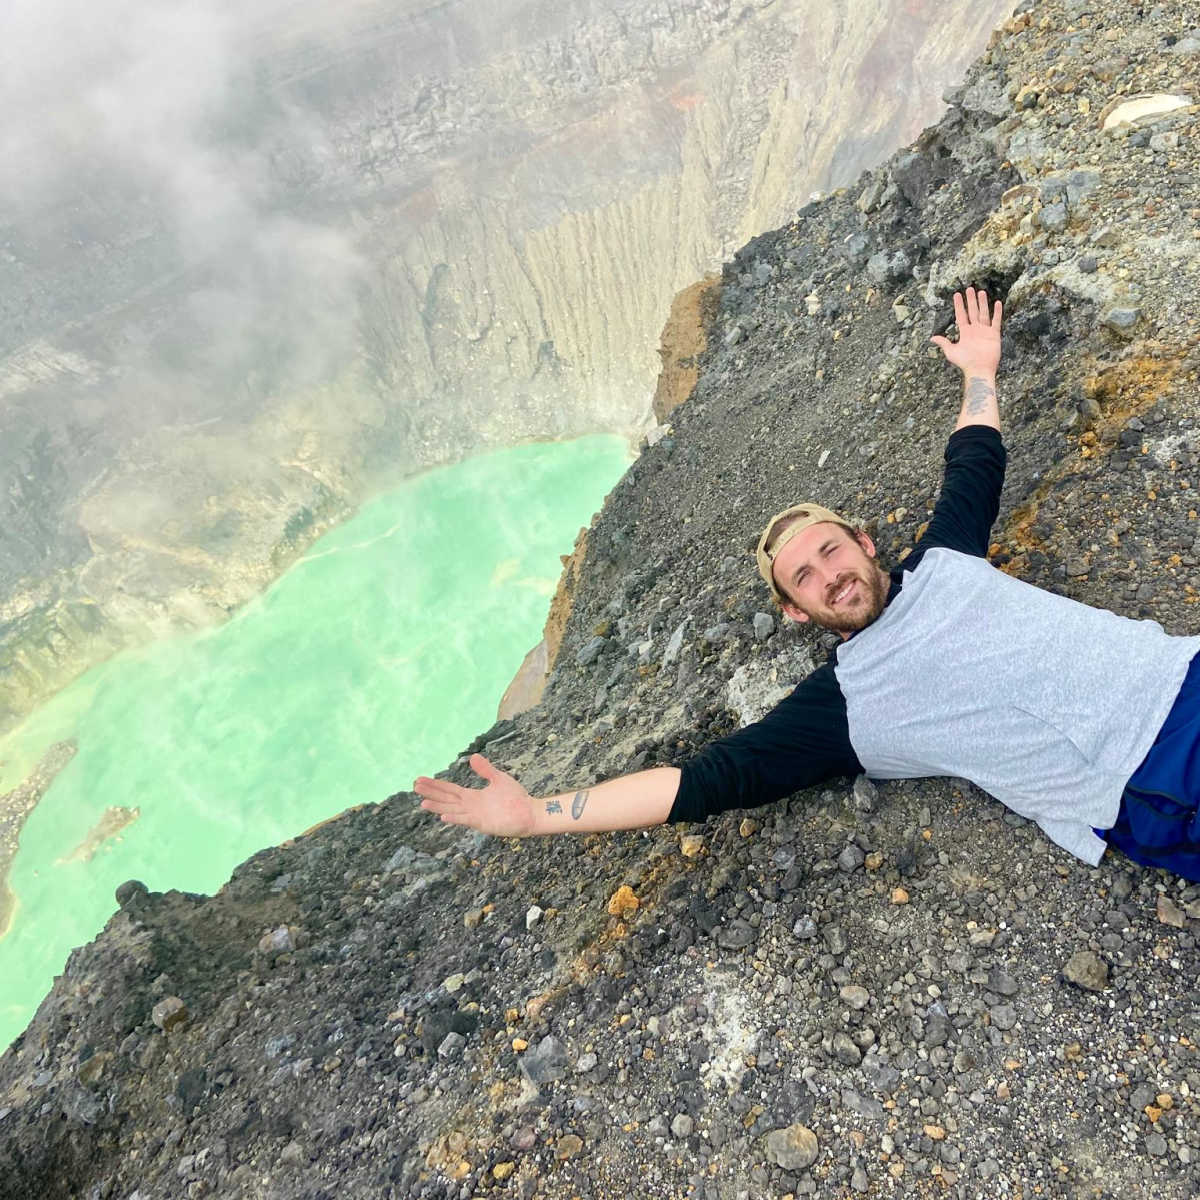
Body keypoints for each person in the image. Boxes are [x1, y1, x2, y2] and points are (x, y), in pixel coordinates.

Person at [414, 289, 1200, 882]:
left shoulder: (947, 558)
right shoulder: (843, 709)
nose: (830, 575)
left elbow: (975, 460)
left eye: (830, 551)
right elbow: (707, 780)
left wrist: (982, 371)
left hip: (1180, 670)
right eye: (805, 577)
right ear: (797, 611)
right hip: (1147, 776)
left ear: (863, 542)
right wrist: (535, 816)